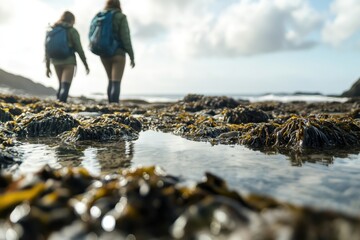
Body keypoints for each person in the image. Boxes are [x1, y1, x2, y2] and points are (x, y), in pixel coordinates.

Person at [94, 0, 135, 103]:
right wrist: (131, 56)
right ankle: (114, 104)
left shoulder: (99, 16)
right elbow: (126, 38)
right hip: (118, 53)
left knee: (110, 80)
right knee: (116, 82)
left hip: (103, 53)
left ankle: (109, 104)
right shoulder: (120, 16)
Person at [45, 11, 90, 103]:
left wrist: (47, 67)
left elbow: (47, 50)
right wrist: (85, 64)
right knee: (65, 86)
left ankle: (57, 104)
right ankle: (62, 104)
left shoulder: (52, 31)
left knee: (61, 85)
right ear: (72, 20)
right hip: (68, 61)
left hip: (55, 61)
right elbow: (79, 49)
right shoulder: (71, 30)